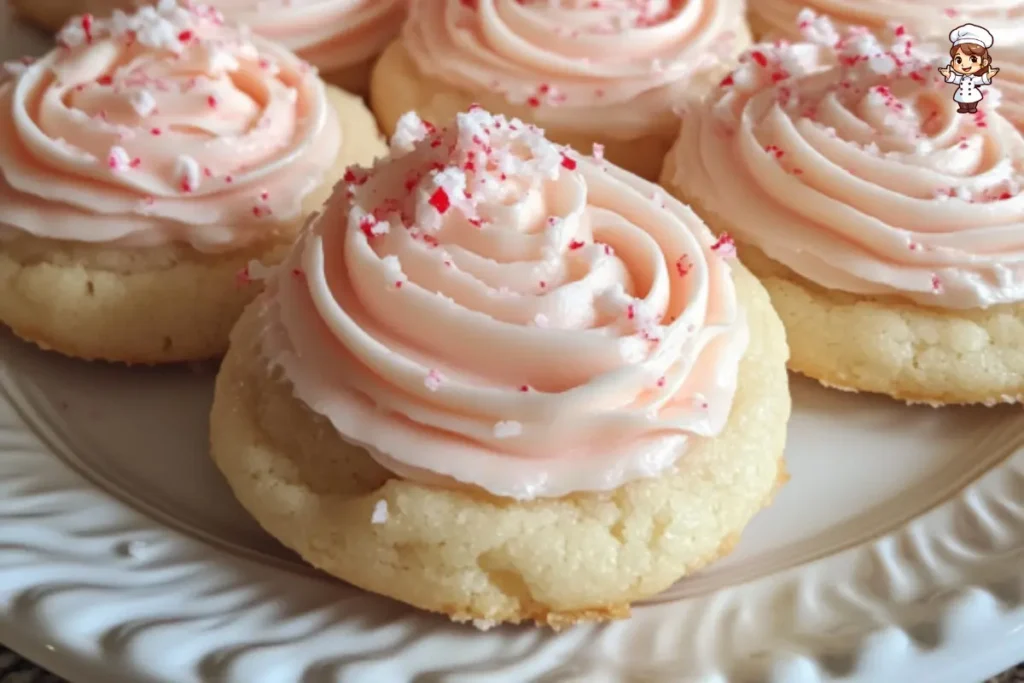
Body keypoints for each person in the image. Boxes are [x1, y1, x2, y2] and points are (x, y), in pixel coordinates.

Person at [939, 23, 1000, 114]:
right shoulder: (960, 78)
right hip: (961, 94)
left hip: (972, 94)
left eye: (973, 59)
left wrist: (987, 76)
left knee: (972, 101)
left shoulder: (975, 79)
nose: (965, 65)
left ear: (984, 62)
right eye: (959, 60)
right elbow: (955, 79)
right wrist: (949, 75)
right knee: (961, 101)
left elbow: (980, 80)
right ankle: (963, 108)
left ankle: (971, 108)